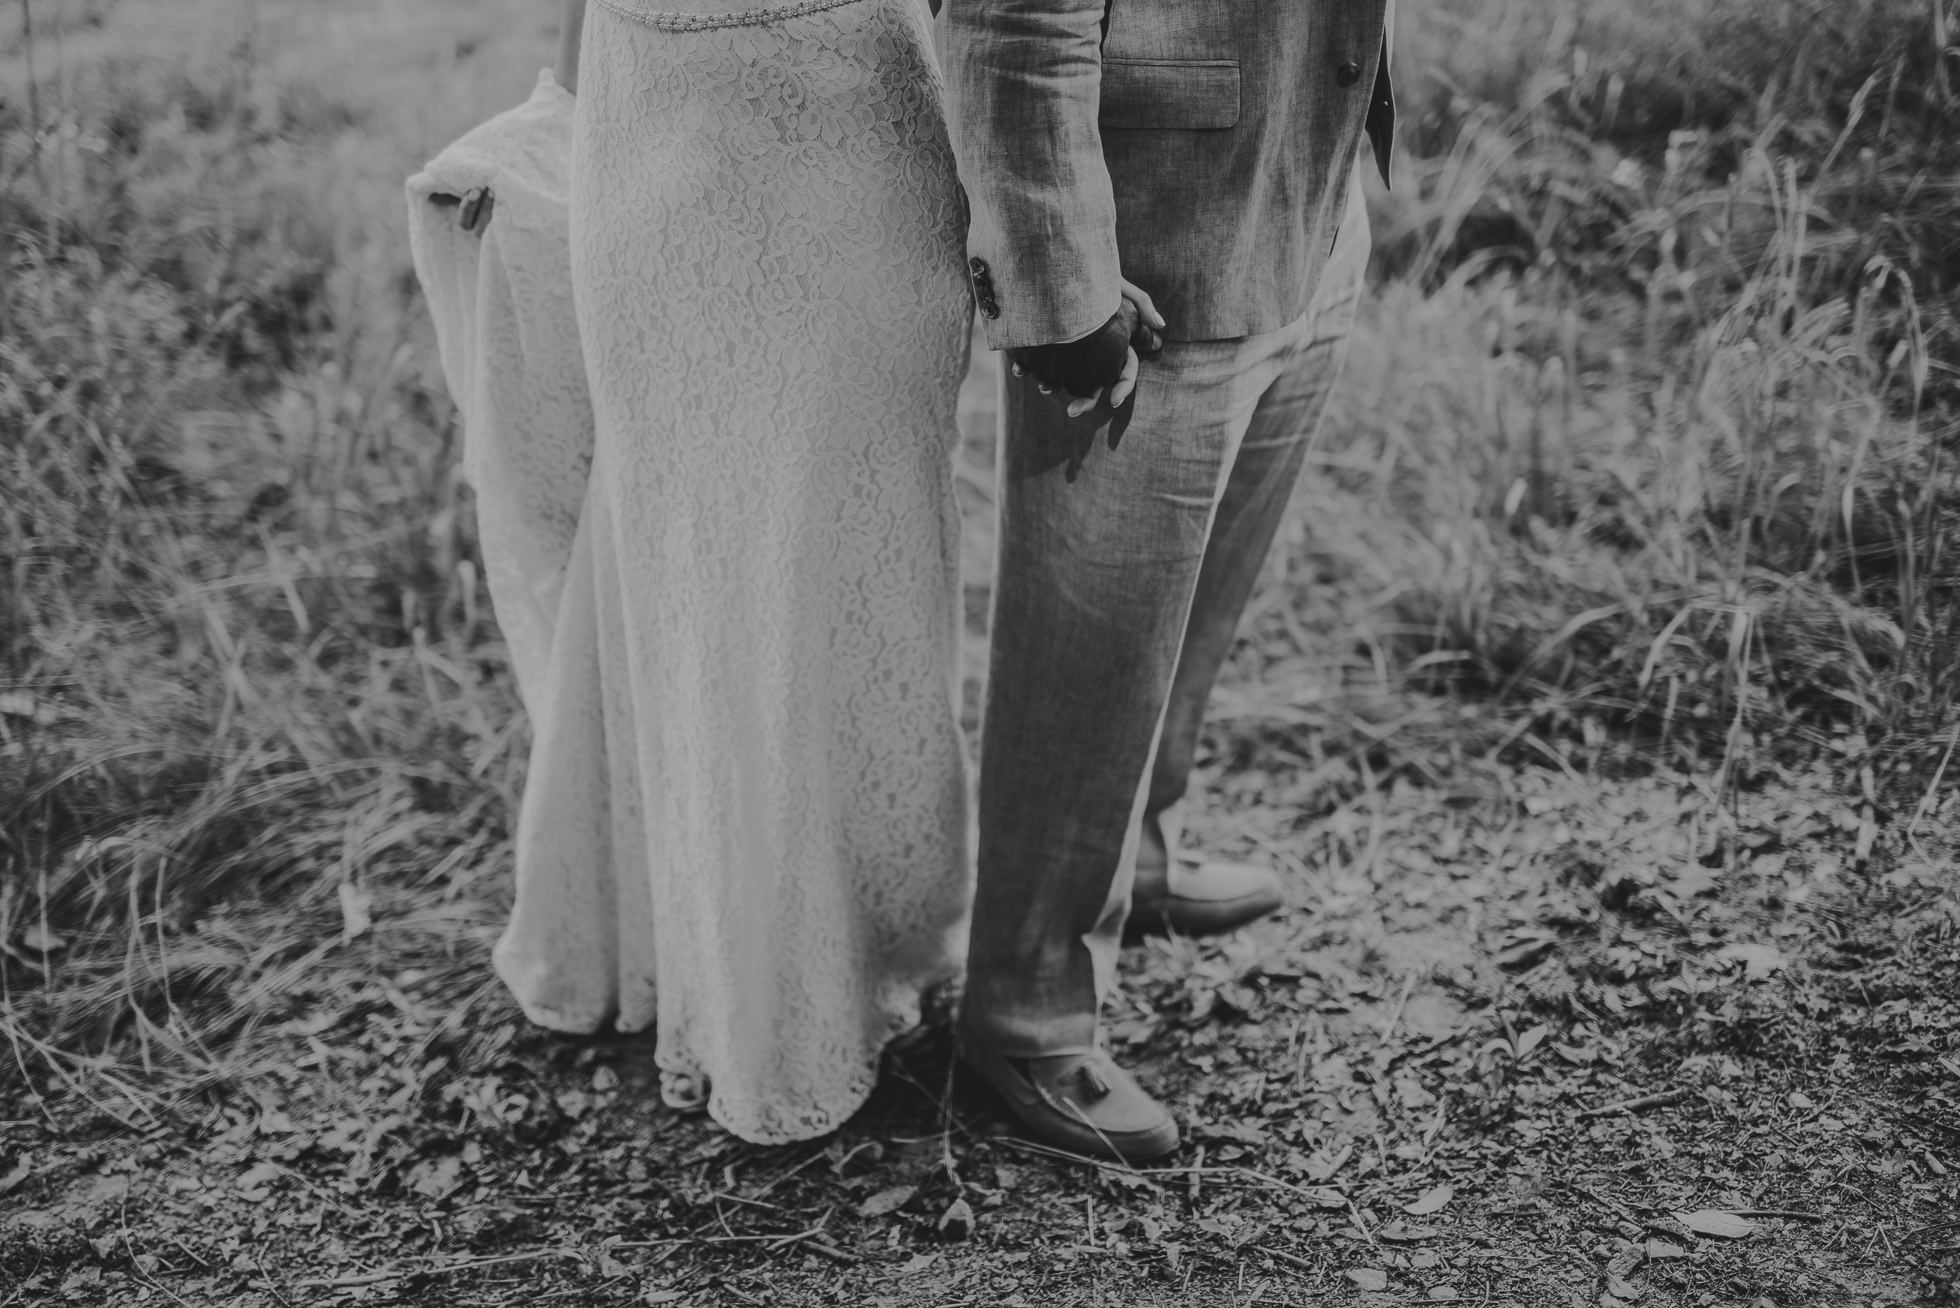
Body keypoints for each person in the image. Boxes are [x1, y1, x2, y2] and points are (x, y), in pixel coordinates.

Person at [472, 0, 994, 1145]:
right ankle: (741, 979)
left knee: (843, 541)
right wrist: (553, 129)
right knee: (681, 544)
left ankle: (848, 945)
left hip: (862, 148)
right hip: (648, 141)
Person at [945, 0, 1398, 1162]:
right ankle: (1025, 1003)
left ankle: (1136, 853)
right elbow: (1014, 16)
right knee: (1088, 639)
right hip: (1144, 227)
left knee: (1194, 604)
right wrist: (1059, 284)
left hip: (1306, 175)